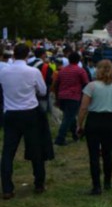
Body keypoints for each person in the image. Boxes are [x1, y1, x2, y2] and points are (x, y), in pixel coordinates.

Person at [0, 44, 52, 198]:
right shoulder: (33, 71)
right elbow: (42, 91)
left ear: (13, 55)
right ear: (27, 55)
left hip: (10, 112)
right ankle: (39, 183)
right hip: (30, 112)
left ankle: (7, 188)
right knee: (36, 149)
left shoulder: (4, 71)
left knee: (8, 152)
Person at [76, 59, 112, 195]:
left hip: (94, 120)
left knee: (94, 155)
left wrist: (80, 124)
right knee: (108, 154)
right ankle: (107, 183)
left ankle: (96, 186)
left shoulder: (91, 86)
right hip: (109, 120)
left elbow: (84, 107)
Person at [53, 51, 89, 146]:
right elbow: (86, 83)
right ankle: (60, 138)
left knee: (70, 116)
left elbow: (56, 85)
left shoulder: (62, 71)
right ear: (79, 60)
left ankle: (76, 134)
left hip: (62, 96)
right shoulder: (80, 70)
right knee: (68, 118)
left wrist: (57, 98)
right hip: (73, 96)